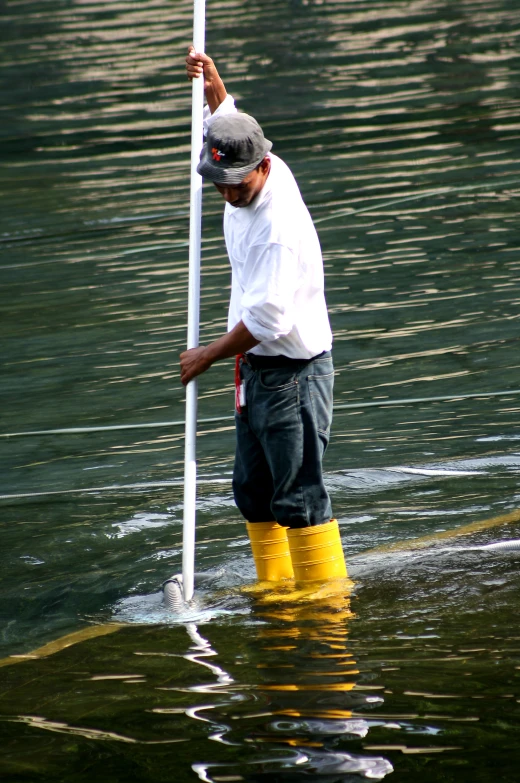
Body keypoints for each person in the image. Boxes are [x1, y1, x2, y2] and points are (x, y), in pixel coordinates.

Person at [182, 47, 346, 583]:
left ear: (266, 167)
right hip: (254, 372)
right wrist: (211, 82)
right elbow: (226, 121)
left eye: (239, 184)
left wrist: (206, 355)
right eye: (220, 183)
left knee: (297, 497)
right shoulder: (241, 158)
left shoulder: (278, 227)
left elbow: (268, 322)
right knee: (252, 494)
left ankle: (324, 606)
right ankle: (275, 593)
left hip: (293, 375)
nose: (228, 193)